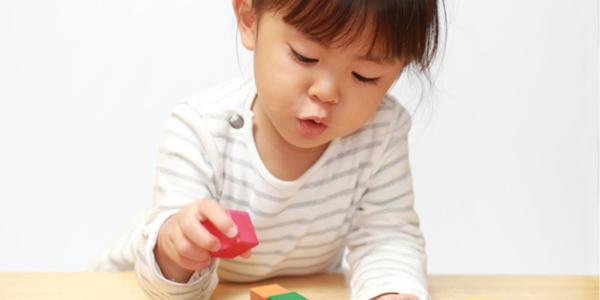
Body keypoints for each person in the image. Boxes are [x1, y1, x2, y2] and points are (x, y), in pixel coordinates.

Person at [93, 0, 444, 299]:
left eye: (365, 75)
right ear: (249, 20)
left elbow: (385, 237)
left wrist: (392, 292)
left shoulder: (380, 132)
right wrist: (178, 247)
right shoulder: (201, 127)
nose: (327, 92)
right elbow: (165, 282)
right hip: (135, 286)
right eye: (305, 57)